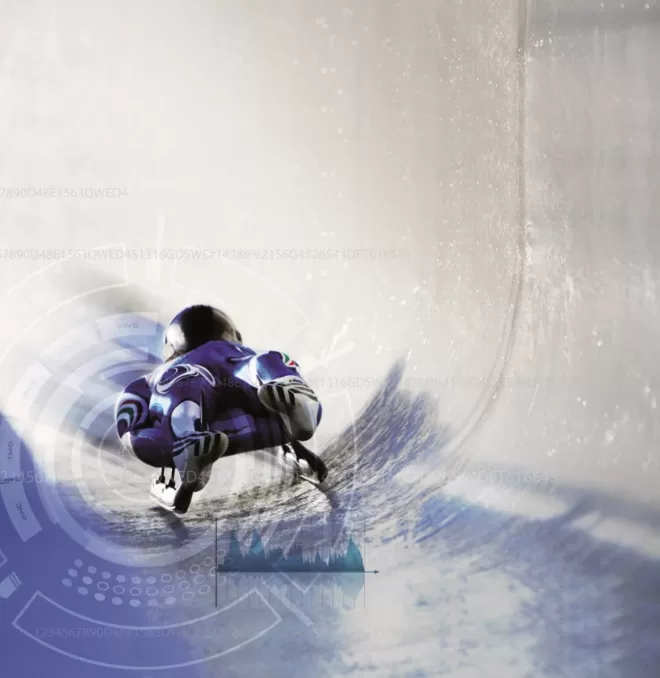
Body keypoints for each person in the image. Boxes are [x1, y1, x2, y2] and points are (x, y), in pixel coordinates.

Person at [114, 304, 327, 514]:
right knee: (265, 362)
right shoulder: (239, 352)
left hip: (199, 422)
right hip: (265, 420)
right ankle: (291, 394)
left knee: (185, 380)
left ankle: (188, 439)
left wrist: (138, 433)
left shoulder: (163, 372)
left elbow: (129, 416)